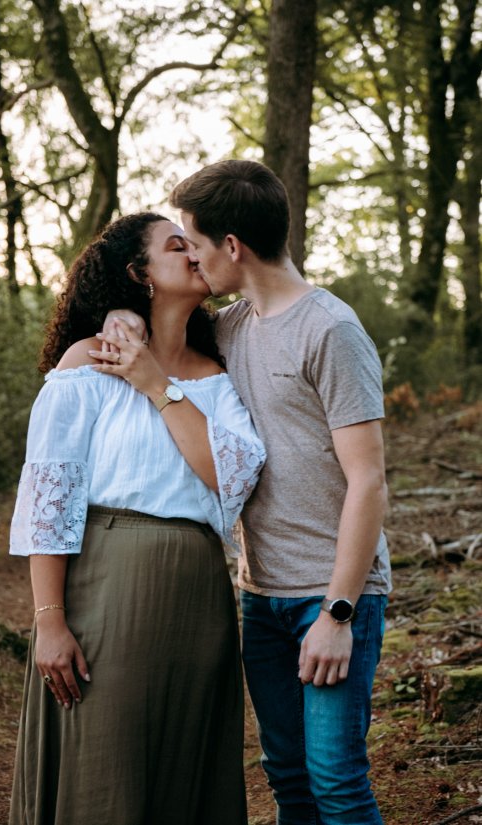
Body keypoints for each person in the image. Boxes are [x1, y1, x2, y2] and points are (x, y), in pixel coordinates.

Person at [102, 161, 391, 825]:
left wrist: (338, 612)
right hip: (261, 598)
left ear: (232, 247)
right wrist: (123, 311)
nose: (194, 262)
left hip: (333, 593)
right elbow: (153, 324)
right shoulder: (231, 329)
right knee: (289, 779)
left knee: (338, 782)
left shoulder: (331, 329)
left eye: (197, 246)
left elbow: (368, 479)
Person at [8, 212, 266, 825]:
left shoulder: (221, 378)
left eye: (195, 243)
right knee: (107, 774)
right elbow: (52, 496)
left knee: (186, 774)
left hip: (200, 598)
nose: (194, 254)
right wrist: (49, 622)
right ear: (139, 273)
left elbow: (226, 474)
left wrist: (158, 384)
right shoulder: (90, 360)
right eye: (176, 246)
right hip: (108, 588)